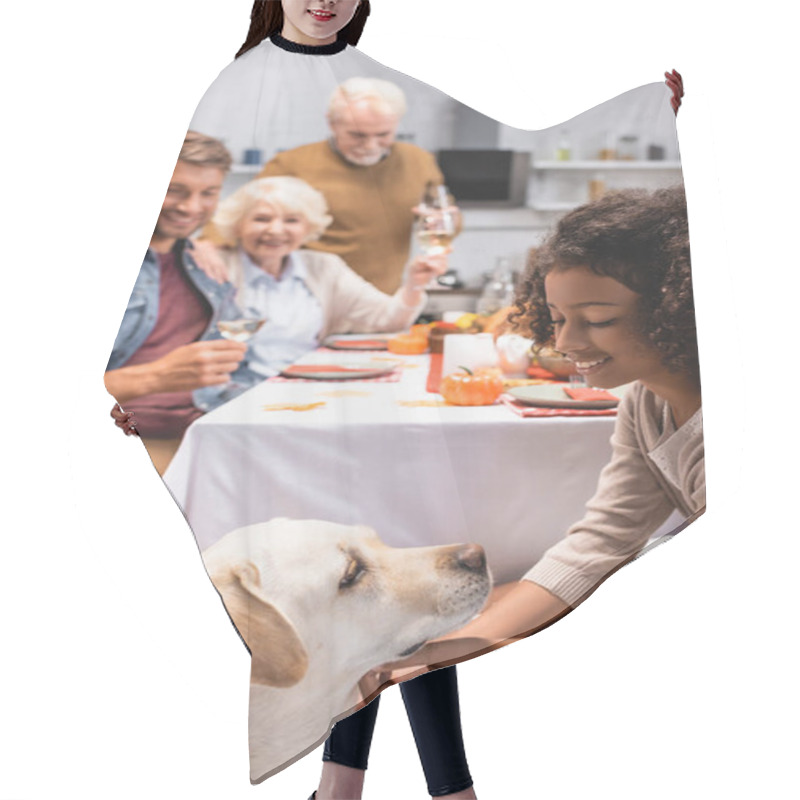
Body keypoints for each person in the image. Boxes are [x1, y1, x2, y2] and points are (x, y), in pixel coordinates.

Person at [390, 184, 704, 672]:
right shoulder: (646, 403)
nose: (565, 341)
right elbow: (602, 540)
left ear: (677, 310)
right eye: (556, 319)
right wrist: (456, 650)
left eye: (598, 319)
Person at [192, 175, 445, 410]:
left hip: (312, 391)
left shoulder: (323, 267)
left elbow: (388, 319)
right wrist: (194, 247)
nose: (276, 230)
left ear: (307, 228)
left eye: (291, 220)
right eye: (261, 219)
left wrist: (414, 283)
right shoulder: (216, 265)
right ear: (237, 225)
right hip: (237, 399)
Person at [104, 132, 247, 473]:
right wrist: (155, 377)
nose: (191, 207)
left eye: (208, 193)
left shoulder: (202, 262)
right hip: (133, 439)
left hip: (204, 428)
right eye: (175, 190)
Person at [256, 75, 444, 293]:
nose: (371, 145)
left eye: (383, 134)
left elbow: (443, 213)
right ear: (332, 123)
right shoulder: (291, 164)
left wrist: (443, 222)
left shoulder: (419, 161)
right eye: (357, 135)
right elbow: (244, 216)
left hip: (383, 299)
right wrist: (210, 245)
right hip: (309, 298)